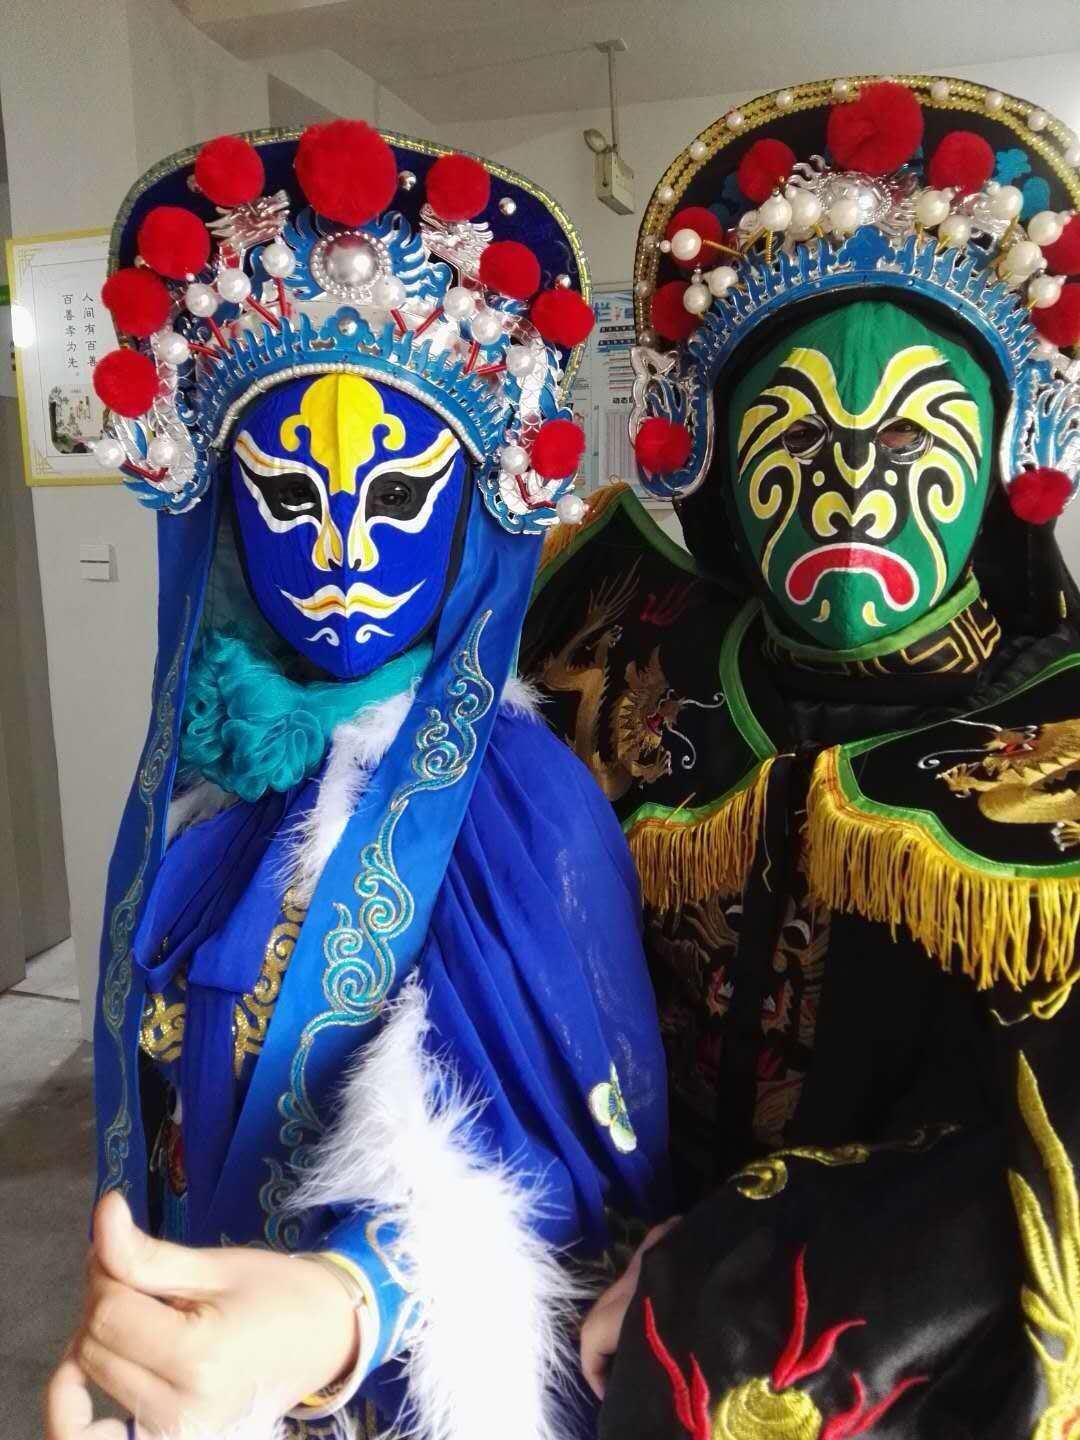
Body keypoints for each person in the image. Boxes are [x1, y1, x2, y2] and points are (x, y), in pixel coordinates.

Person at [44, 120, 669, 1440]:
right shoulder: (223, 770)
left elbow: (565, 1169)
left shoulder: (521, 806)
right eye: (288, 495)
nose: (337, 547)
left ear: (471, 511)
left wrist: (352, 1304)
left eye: (394, 501)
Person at [522, 73, 1080, 1436]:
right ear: (718, 460)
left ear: (1005, 455)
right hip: (568, 1296)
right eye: (798, 433)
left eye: (914, 431)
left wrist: (741, 1284)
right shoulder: (608, 642)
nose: (853, 487)